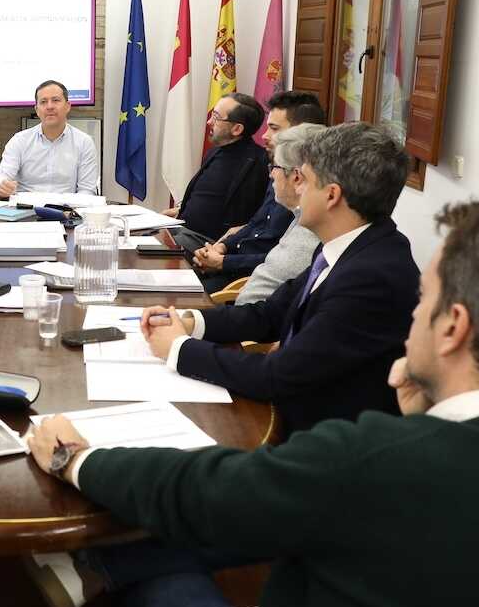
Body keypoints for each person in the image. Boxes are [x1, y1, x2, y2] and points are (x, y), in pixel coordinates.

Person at [26, 199, 479, 607]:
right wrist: (428, 413)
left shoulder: (375, 460)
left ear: (453, 327)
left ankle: (97, 569)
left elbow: (202, 492)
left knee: (163, 576)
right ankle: (93, 569)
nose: (412, 316)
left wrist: (74, 457)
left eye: (423, 301)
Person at [143, 122, 419, 434]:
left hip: (322, 440)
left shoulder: (372, 277)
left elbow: (278, 376)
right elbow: (269, 315)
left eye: (306, 180)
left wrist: (179, 349)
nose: (297, 189)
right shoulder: (346, 246)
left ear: (331, 196)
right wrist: (189, 321)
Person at [190, 92, 328, 296]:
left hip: (243, 279)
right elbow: (256, 224)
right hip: (235, 265)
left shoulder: (302, 191)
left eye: (274, 128)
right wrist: (222, 247)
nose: (264, 135)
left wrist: (224, 262)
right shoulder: (279, 172)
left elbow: (278, 261)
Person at [159, 93, 271, 240]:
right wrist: (181, 211)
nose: (209, 122)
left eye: (216, 117)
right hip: (182, 232)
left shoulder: (261, 163)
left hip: (214, 246)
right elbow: (209, 199)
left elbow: (258, 216)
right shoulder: (215, 151)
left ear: (237, 129)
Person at [0, 80, 98, 197]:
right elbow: (0, 177)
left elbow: (87, 190)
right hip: (26, 206)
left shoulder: (84, 142)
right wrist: (2, 186)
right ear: (37, 110)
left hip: (66, 207)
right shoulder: (20, 140)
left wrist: (73, 207)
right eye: (43, 102)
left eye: (55, 100)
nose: (49, 106)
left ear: (68, 106)